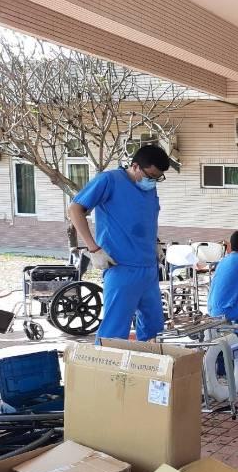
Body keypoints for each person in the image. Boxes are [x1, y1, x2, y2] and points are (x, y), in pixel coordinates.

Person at [68, 145, 170, 341]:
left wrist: (155, 242)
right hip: (121, 266)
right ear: (135, 166)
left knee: (154, 329)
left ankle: (149, 370)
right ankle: (104, 371)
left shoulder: (149, 188)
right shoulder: (110, 180)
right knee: (114, 333)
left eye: (158, 178)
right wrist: (94, 248)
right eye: (151, 176)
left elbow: (144, 218)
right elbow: (74, 209)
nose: (153, 181)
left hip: (148, 267)